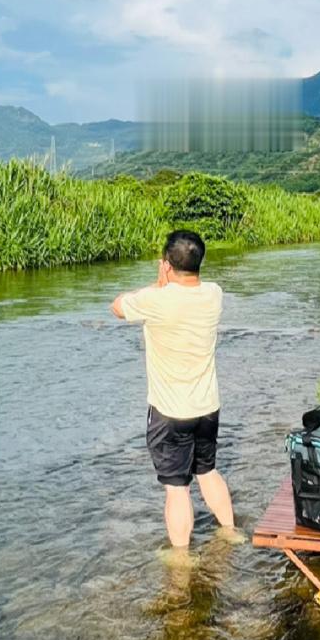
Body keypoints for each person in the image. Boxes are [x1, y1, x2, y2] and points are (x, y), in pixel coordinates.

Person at [111, 229, 241, 554]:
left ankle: (182, 559)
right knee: (208, 471)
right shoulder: (214, 293)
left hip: (170, 412)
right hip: (207, 407)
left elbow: (117, 306)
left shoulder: (157, 300)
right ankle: (230, 532)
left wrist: (158, 283)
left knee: (177, 489)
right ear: (199, 262)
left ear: (167, 264)